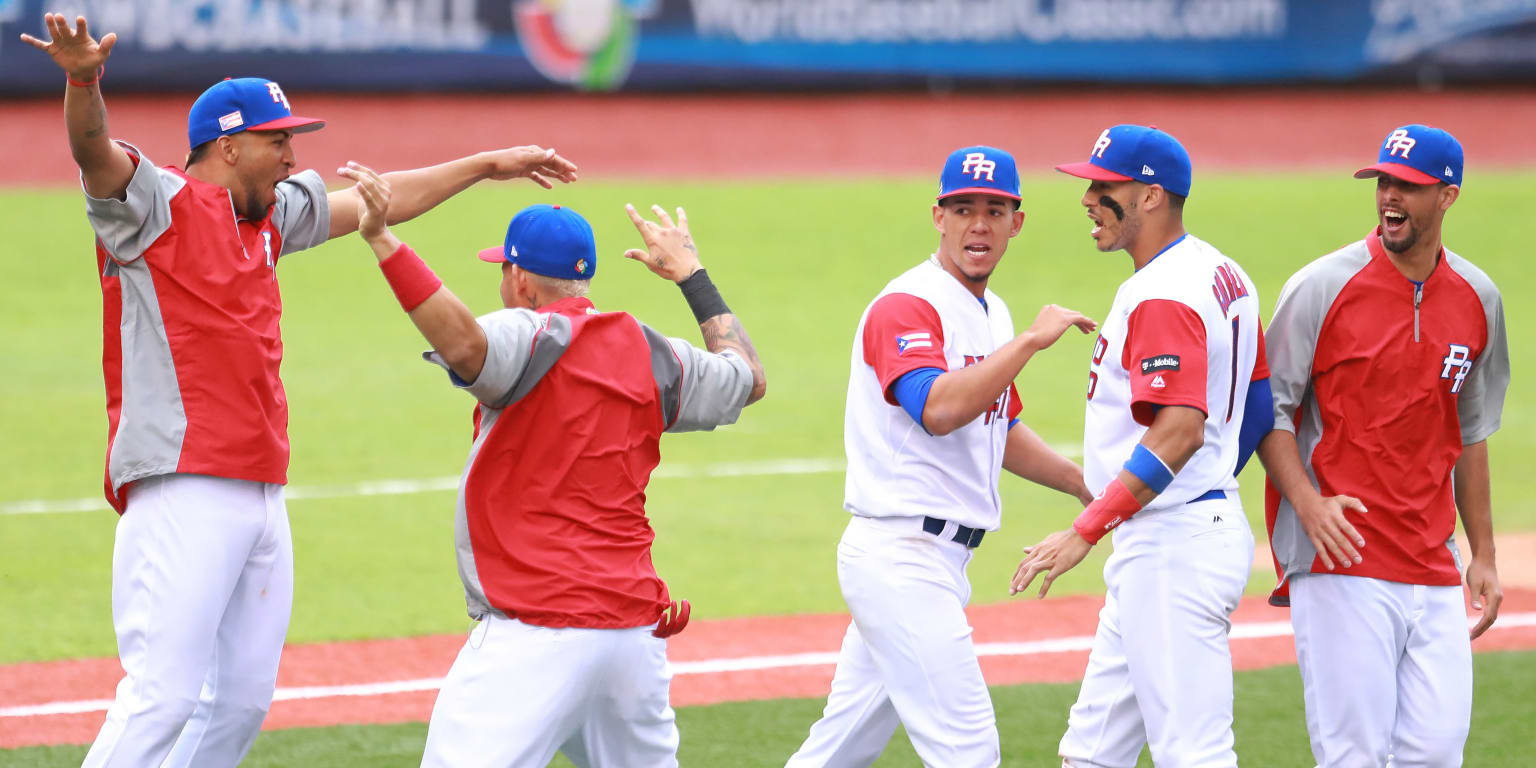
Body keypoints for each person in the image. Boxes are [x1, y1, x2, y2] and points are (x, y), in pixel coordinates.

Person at [20, 13, 581, 768]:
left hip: (260, 489)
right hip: (181, 485)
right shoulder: (153, 207)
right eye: (277, 140)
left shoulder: (269, 219)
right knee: (162, 697)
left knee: (241, 704)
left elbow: (383, 199)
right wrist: (84, 79)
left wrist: (485, 164)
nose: (291, 156)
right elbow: (93, 151)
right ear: (228, 145)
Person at [345, 161, 766, 767]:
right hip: (630, 638)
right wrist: (692, 276)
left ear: (519, 278)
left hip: (537, 634)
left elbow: (465, 346)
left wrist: (385, 242)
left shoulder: (528, 334)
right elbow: (748, 378)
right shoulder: (656, 354)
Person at [785, 146, 1096, 768]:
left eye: (992, 209)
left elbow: (997, 424)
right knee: (968, 750)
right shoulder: (907, 304)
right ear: (938, 216)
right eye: (962, 209)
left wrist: (1085, 487)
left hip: (932, 562)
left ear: (1017, 221)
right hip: (901, 557)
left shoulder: (990, 310)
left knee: (839, 749)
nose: (977, 224)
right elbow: (937, 408)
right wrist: (1032, 343)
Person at [1013, 125, 1271, 768]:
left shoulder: (1164, 292)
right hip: (1172, 531)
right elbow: (1258, 401)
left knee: (1195, 754)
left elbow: (1180, 429)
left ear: (1151, 196)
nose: (1088, 198)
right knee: (1092, 753)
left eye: (1104, 186)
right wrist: (1208, 485)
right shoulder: (1223, 271)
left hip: (1171, 547)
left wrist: (1088, 527)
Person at [1256, 124, 1508, 767]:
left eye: (1409, 187)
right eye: (1384, 182)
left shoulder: (1478, 299)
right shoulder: (1321, 287)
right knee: (1354, 756)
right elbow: (1269, 411)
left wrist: (1483, 552)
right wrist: (1309, 506)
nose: (1390, 198)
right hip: (1343, 556)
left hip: (1432, 558)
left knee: (1436, 751)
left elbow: (1469, 433)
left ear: (1447, 196)